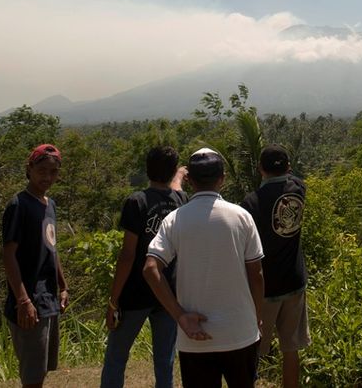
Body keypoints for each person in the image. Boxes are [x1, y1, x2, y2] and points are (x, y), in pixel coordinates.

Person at [143, 147, 264, 388]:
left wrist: (179, 316)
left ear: (189, 180)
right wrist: (257, 317)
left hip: (194, 336)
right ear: (223, 179)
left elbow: (150, 269)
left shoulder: (175, 219)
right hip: (239, 331)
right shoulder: (241, 217)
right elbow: (257, 274)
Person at [101, 146, 188, 388]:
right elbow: (177, 189)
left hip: (135, 293)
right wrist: (179, 176)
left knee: (117, 357)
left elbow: (128, 254)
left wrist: (113, 299)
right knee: (164, 360)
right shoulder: (180, 201)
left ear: (146, 169)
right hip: (167, 292)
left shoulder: (136, 202)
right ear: (172, 171)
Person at [241, 144, 310, 388]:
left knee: (252, 350)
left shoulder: (251, 202)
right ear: (288, 167)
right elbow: (293, 178)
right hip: (294, 281)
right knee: (290, 349)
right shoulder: (299, 189)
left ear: (261, 169)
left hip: (265, 287)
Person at [2, 144, 69, 388]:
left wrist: (63, 285)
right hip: (29, 302)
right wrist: (23, 300)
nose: (47, 177)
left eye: (53, 172)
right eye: (42, 170)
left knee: (41, 370)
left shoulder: (49, 204)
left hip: (48, 298)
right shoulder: (19, 205)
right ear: (29, 169)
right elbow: (9, 256)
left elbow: (51, 248)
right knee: (32, 376)